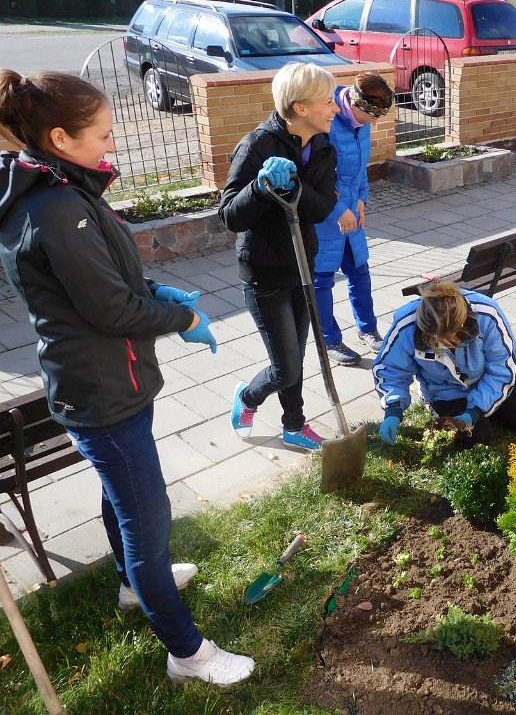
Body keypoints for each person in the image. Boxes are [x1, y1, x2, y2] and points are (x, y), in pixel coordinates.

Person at [0, 70, 253, 686]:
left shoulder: (64, 187)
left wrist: (151, 289)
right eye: (105, 134)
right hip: (100, 389)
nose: (113, 144)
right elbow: (110, 310)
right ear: (60, 137)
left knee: (126, 496)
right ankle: (187, 652)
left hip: (111, 379)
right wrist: (184, 313)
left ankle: (132, 588)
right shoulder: (56, 208)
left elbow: (108, 278)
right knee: (148, 519)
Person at [220, 63, 340, 451]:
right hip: (264, 272)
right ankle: (248, 397)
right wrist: (260, 186)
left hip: (302, 266)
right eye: (327, 101)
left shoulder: (323, 147)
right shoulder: (257, 145)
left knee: (296, 358)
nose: (335, 108)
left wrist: (295, 187)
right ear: (301, 108)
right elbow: (230, 216)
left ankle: (293, 425)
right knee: (285, 365)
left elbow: (320, 209)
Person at [372, 281, 516, 447]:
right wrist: (393, 408)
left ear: (463, 323)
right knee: (476, 438)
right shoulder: (406, 325)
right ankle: (487, 413)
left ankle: (489, 407)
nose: (443, 344)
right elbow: (390, 370)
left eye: (450, 338)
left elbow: (502, 368)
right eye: (435, 340)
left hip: (486, 380)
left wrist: (476, 409)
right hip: (445, 392)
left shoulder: (487, 314)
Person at [313, 72, 394, 366]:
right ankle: (329, 340)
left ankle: (368, 330)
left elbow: (361, 168)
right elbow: (314, 178)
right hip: (324, 216)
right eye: (371, 117)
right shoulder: (326, 120)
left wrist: (361, 200)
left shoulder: (362, 118)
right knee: (321, 279)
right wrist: (339, 211)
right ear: (353, 104)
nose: (374, 123)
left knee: (359, 271)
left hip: (351, 211)